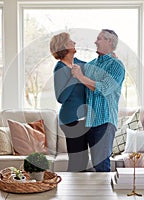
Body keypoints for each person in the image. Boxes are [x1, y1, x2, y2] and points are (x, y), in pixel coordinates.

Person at [71, 29, 125, 172]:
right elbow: (77, 67)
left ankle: (105, 195)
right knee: (94, 165)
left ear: (109, 42)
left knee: (101, 165)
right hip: (89, 122)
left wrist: (81, 77)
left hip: (105, 122)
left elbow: (104, 88)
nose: (95, 42)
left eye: (99, 38)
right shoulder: (90, 65)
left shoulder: (116, 66)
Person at [50, 32, 90, 172]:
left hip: (84, 118)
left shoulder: (79, 63)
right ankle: (70, 192)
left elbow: (95, 67)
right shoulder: (60, 68)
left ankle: (79, 192)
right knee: (77, 161)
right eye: (71, 41)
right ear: (64, 46)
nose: (74, 42)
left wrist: (110, 58)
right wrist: (74, 78)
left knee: (84, 160)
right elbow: (60, 97)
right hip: (70, 120)